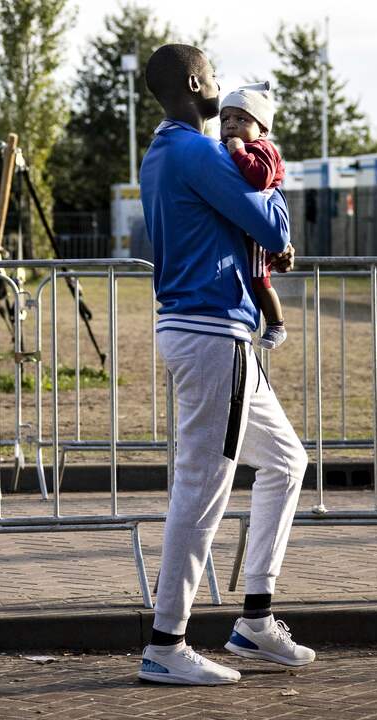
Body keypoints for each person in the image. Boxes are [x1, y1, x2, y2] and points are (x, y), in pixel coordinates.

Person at [137, 44, 313, 685]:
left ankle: (255, 620)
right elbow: (268, 221)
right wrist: (279, 217)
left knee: (288, 461)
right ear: (193, 82)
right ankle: (166, 642)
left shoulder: (163, 152)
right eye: (213, 77)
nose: (220, 87)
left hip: (206, 329)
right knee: (202, 486)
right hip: (213, 332)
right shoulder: (196, 151)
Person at [220, 82, 288, 349]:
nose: (231, 125)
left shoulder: (262, 148)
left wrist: (238, 151)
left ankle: (276, 324)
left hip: (259, 226)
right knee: (248, 276)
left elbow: (260, 178)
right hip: (246, 222)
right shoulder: (226, 147)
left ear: (262, 128)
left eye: (241, 118)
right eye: (225, 119)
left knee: (260, 277)